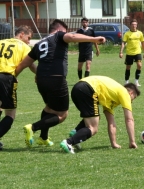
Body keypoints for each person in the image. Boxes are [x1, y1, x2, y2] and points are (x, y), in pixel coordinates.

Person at [15, 19, 106, 148]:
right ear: (59, 29)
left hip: (40, 79)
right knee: (62, 114)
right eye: (65, 31)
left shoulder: (39, 43)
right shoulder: (58, 35)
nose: (66, 34)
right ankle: (33, 127)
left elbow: (24, 64)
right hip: (56, 78)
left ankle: (43, 137)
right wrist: (94, 39)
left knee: (49, 108)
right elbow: (73, 36)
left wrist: (13, 78)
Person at [60, 76, 140, 154]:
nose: (132, 101)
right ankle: (68, 142)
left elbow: (111, 123)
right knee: (93, 128)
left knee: (95, 117)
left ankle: (76, 133)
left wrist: (113, 143)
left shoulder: (112, 96)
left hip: (77, 88)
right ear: (131, 93)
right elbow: (129, 119)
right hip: (88, 89)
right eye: (134, 98)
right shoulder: (124, 93)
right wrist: (132, 141)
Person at [0, 25, 36, 150]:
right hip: (6, 78)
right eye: (28, 38)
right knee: (10, 114)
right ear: (21, 34)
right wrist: (41, 75)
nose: (29, 41)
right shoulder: (23, 46)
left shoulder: (1, 42)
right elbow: (30, 64)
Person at [119, 19, 144, 86]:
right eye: (133, 24)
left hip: (137, 52)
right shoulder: (127, 34)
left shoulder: (140, 33)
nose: (134, 26)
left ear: (137, 25)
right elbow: (123, 43)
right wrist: (121, 52)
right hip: (129, 53)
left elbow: (143, 43)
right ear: (130, 25)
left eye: (135, 24)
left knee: (139, 65)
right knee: (128, 67)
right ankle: (126, 81)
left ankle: (136, 81)